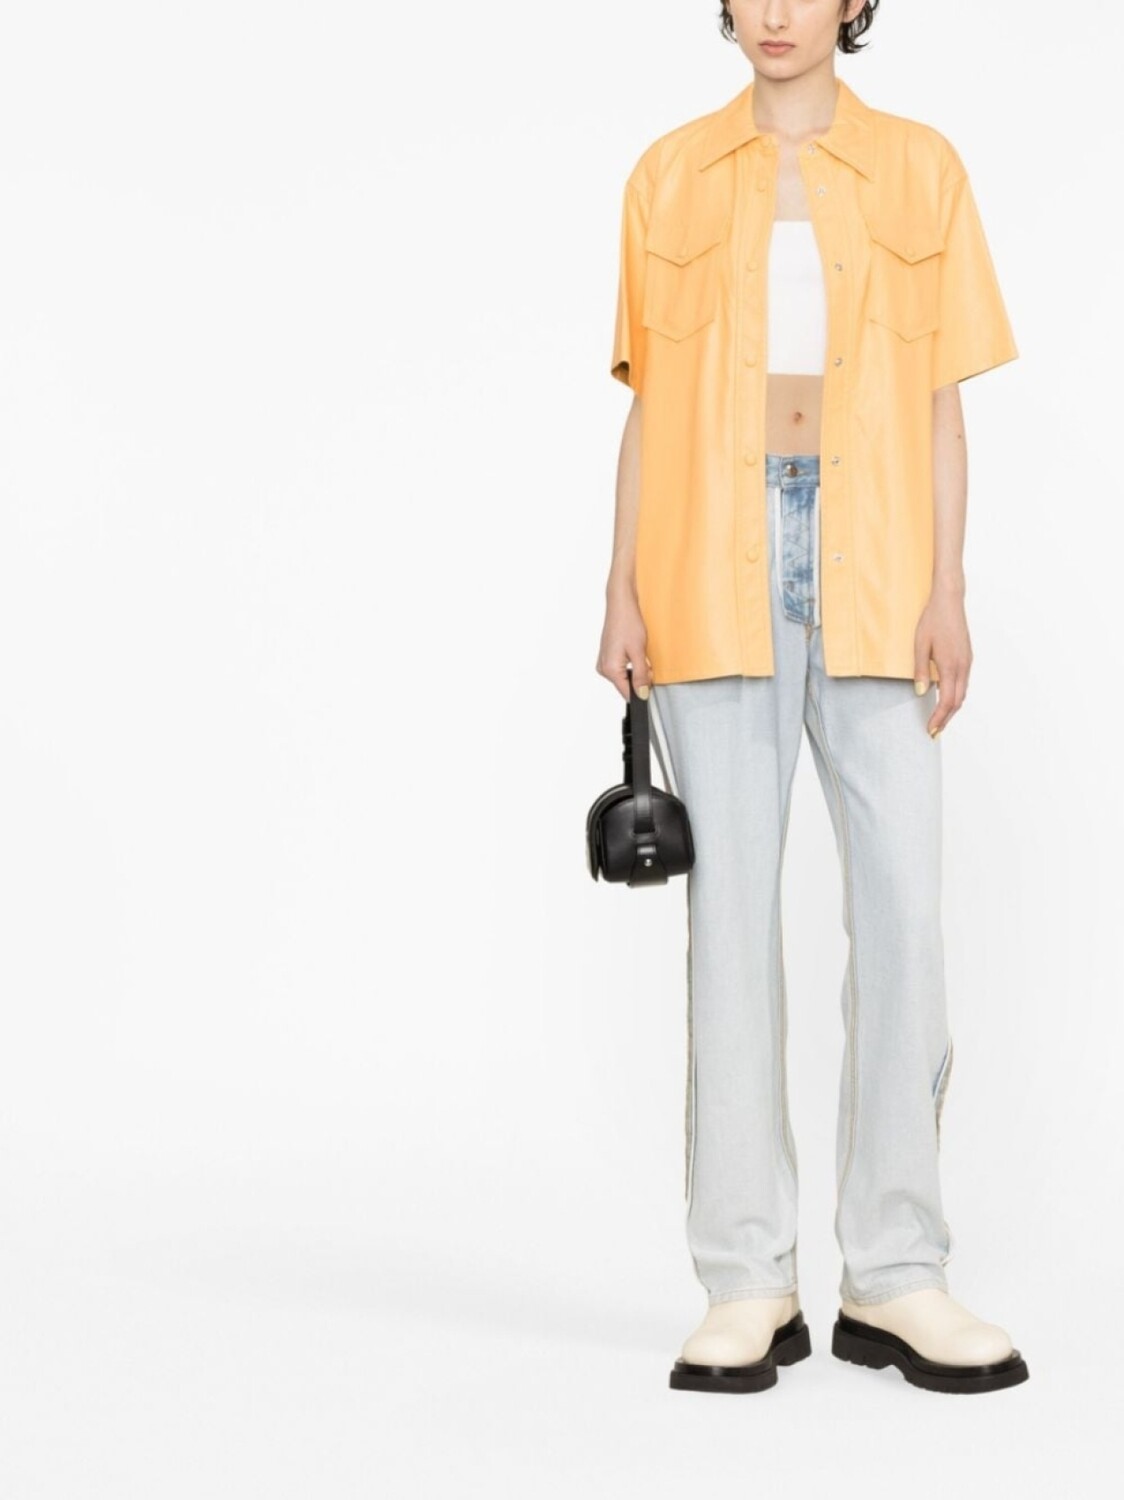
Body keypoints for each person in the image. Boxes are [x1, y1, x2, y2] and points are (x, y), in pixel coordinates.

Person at [596, 1, 1030, 1396]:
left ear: (855, 2)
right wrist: (621, 589)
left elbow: (944, 407)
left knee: (903, 918)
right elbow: (652, 407)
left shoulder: (921, 168)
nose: (777, 11)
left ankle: (897, 1274)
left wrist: (948, 588)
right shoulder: (667, 175)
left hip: (879, 561)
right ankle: (747, 1282)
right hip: (708, 563)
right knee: (730, 931)